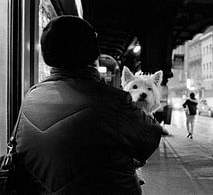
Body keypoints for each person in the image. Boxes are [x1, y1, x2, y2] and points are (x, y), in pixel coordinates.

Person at [14, 15, 163, 195]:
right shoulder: (114, 101)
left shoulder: (31, 96)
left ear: (47, 56)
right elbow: (150, 138)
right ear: (94, 55)